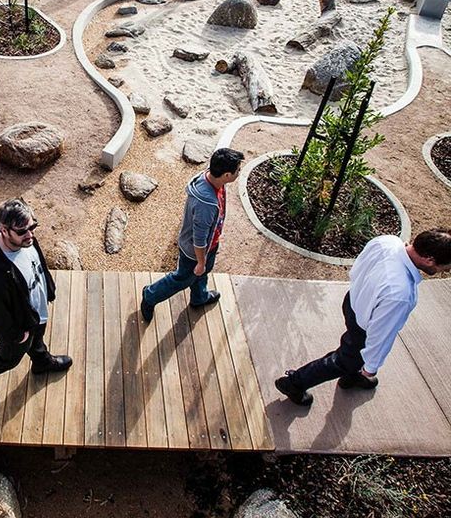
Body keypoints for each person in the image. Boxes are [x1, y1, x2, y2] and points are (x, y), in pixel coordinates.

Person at [275, 229, 451, 407]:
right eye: (446, 267)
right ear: (429, 259)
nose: (446, 270)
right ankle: (293, 383)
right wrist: (370, 368)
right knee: (344, 360)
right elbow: (380, 335)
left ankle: (351, 377)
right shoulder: (400, 294)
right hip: (364, 327)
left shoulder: (387, 242)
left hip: (352, 301)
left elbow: (359, 267)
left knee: (352, 353)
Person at [0, 199, 73, 410]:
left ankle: (41, 362)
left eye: (33, 227)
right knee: (9, 358)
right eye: (23, 231)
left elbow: (37, 262)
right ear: (4, 230)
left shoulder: (26, 240)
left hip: (35, 311)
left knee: (38, 339)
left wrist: (48, 288)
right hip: (19, 326)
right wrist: (15, 334)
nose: (30, 235)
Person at [141, 148, 245, 322]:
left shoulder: (211, 178)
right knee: (182, 278)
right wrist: (201, 261)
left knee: (203, 273)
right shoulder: (207, 204)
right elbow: (199, 239)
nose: (238, 173)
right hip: (196, 252)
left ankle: (199, 297)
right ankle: (150, 295)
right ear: (227, 175)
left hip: (210, 245)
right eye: (237, 171)